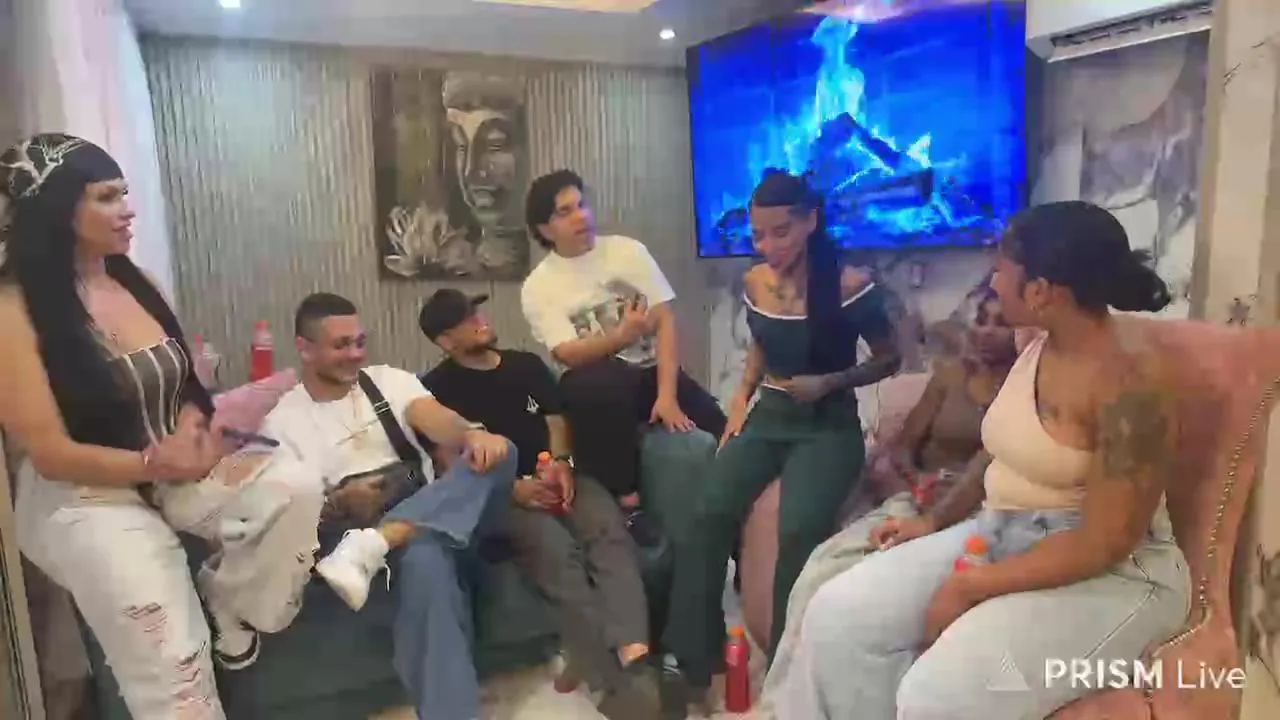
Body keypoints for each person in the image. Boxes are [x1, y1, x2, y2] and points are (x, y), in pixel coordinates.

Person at [774, 201, 1192, 719]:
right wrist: (931, 521)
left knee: (938, 694)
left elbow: (1104, 542)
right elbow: (999, 453)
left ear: (1040, 292)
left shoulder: (1131, 383)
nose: (993, 283)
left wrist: (970, 585)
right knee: (837, 616)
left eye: (1002, 269)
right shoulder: (1039, 342)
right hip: (1000, 528)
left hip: (1117, 573)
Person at [0, 133, 228, 718]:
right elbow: (51, 453)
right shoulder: (12, 310)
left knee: (289, 497)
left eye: (125, 193)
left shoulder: (137, 282)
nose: (127, 209)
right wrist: (157, 463)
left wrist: (194, 432)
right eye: (106, 197)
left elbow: (184, 383)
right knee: (174, 676)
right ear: (57, 210)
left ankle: (237, 621)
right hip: (83, 499)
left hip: (166, 477)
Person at [662, 171, 902, 709]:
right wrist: (739, 402)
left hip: (828, 423)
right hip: (769, 414)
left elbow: (891, 358)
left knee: (799, 531)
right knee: (708, 513)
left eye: (780, 232)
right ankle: (692, 661)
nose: (767, 246)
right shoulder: (755, 282)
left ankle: (785, 670)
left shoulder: (850, 284)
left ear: (810, 221)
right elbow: (761, 343)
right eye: (758, 235)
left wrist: (830, 382)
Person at [263, 292, 517, 720]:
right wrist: (339, 502)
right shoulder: (284, 421)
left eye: (360, 341)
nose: (355, 354)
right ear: (305, 348)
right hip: (357, 526)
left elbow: (433, 416)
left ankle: (379, 542)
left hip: (429, 504)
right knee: (427, 562)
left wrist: (470, 433)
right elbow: (295, 509)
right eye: (341, 345)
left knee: (502, 451)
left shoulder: (388, 380)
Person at [418, 288, 659, 720]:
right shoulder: (436, 388)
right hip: (497, 494)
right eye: (465, 318)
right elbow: (447, 461)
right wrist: (511, 489)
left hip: (558, 476)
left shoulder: (525, 365)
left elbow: (556, 421)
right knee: (554, 549)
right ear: (446, 341)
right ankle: (608, 680)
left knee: (607, 530)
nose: (480, 319)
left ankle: (634, 654)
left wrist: (562, 464)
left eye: (476, 310)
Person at [520, 169, 726, 537]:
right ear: (545, 229)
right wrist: (622, 335)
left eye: (581, 205)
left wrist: (667, 395)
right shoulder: (539, 286)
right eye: (565, 212)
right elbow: (568, 353)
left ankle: (736, 537)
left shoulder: (628, 252)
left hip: (648, 372)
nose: (581, 217)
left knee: (723, 434)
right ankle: (627, 502)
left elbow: (664, 320)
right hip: (594, 385)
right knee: (594, 382)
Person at [868, 287, 1017, 500]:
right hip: (922, 493)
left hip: (984, 501)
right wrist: (917, 482)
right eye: (981, 321)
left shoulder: (1028, 389)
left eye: (1002, 324)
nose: (986, 331)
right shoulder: (950, 375)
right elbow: (903, 447)